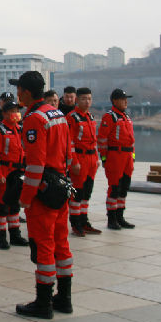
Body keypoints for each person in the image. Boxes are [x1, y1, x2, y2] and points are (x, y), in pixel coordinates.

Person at [11, 71, 74, 319]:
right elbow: (69, 154)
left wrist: (26, 197)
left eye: (19, 89)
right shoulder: (58, 114)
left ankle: (43, 301)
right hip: (60, 186)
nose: (17, 93)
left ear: (26, 92)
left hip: (44, 192)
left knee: (44, 244)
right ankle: (64, 297)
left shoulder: (34, 119)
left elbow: (35, 164)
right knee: (62, 243)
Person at [0, 101, 30, 249]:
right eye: (13, 111)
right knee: (2, 205)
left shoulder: (19, 129)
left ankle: (15, 235)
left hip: (18, 172)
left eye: (17, 111)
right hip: (5, 172)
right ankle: (0, 237)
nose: (16, 114)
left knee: (14, 205)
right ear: (5, 114)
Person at [98, 89, 136, 230]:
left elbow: (131, 140)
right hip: (115, 156)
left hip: (127, 157)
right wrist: (104, 158)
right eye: (122, 99)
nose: (126, 101)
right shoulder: (109, 117)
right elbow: (102, 139)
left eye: (126, 99)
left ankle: (120, 217)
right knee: (114, 188)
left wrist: (132, 158)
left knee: (124, 188)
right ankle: (112, 219)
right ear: (114, 101)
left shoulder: (126, 117)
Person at [67, 88, 102, 236]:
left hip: (91, 159)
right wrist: (74, 162)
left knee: (87, 192)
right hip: (80, 158)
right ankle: (76, 224)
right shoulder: (72, 118)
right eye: (83, 99)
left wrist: (97, 158)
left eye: (89, 99)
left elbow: (94, 140)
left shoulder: (90, 117)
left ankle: (84, 221)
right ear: (77, 100)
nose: (87, 101)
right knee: (77, 193)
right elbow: (69, 142)